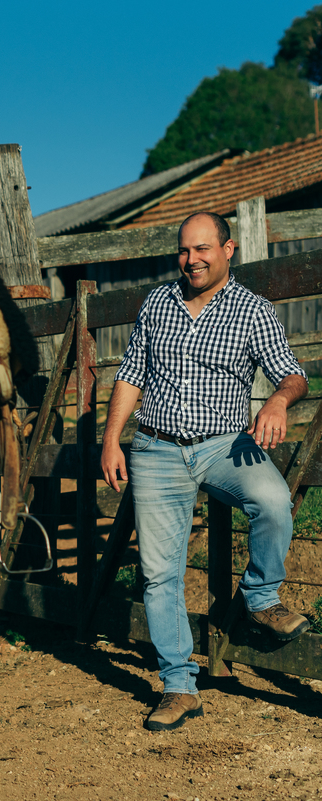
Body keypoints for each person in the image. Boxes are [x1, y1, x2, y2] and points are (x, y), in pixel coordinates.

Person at [100, 211, 310, 732]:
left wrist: (279, 401)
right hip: (156, 447)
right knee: (160, 573)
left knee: (273, 500)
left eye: (202, 249)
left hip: (225, 445)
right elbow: (130, 374)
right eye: (184, 251)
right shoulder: (157, 302)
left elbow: (292, 373)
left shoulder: (252, 310)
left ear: (228, 249)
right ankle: (178, 686)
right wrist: (111, 439)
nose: (191, 260)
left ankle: (262, 596)